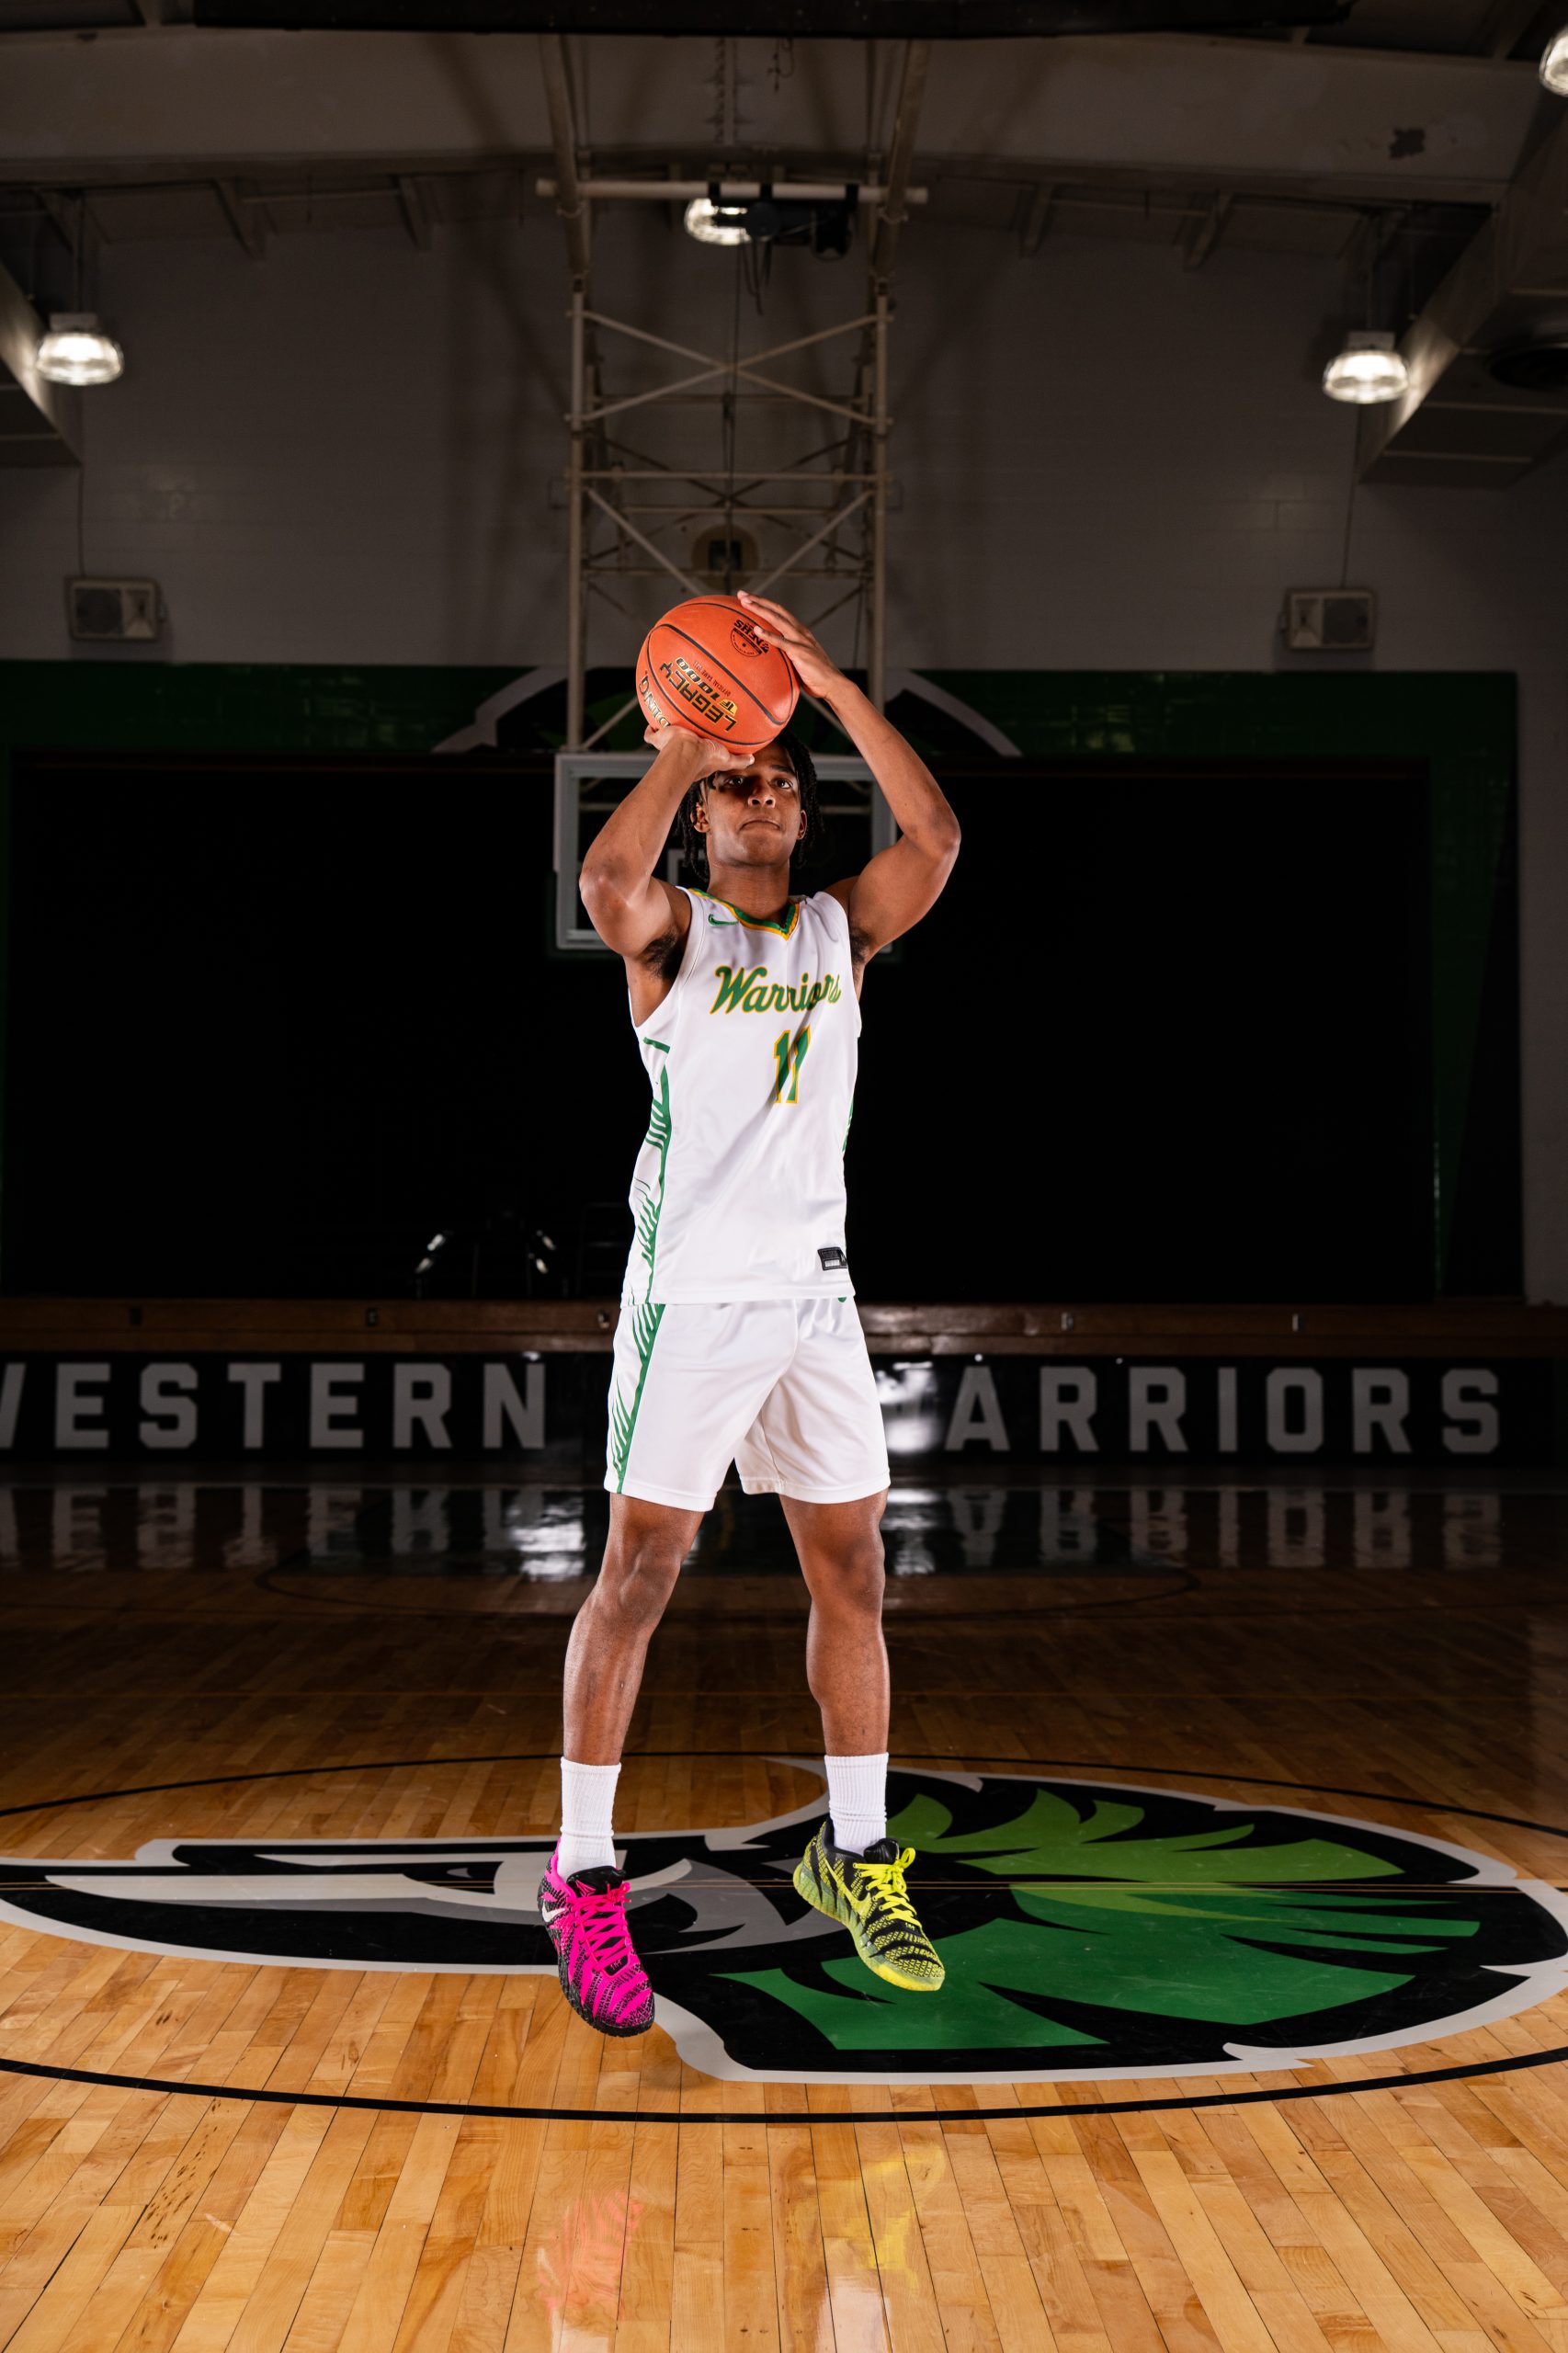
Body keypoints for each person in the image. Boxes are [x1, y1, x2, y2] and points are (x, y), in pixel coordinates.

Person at [538, 589, 961, 2038]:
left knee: (854, 1577)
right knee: (637, 1576)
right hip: (693, 1299)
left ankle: (856, 1851)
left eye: (777, 782)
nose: (760, 796)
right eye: (739, 789)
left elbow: (936, 842)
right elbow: (605, 881)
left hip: (813, 1299)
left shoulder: (839, 933)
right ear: (707, 823)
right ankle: (581, 1872)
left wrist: (829, 692)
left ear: (801, 812)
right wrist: (689, 738)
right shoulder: (674, 936)